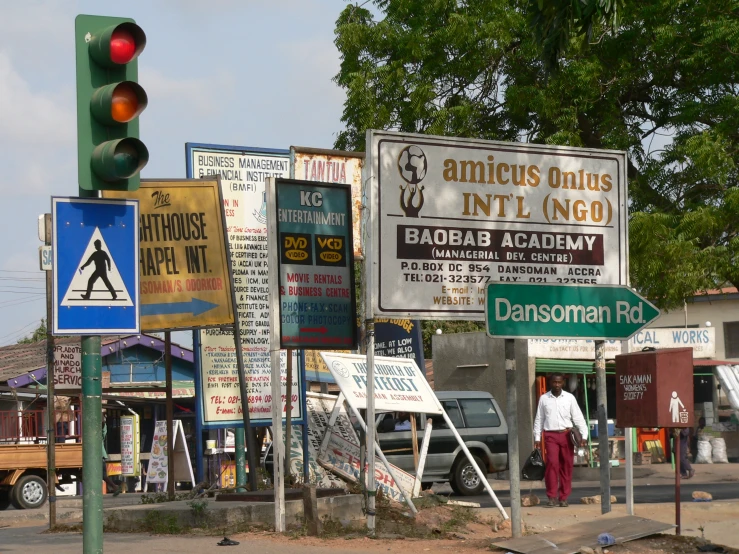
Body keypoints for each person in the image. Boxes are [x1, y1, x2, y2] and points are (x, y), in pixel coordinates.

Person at [533, 373, 588, 508]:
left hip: (566, 434)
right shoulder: (544, 399)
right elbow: (539, 419)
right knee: (552, 464)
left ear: (563, 383)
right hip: (550, 435)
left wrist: (584, 436)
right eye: (554, 382)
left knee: (566, 466)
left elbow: (578, 417)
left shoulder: (569, 398)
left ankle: (563, 497)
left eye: (559, 382)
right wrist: (537, 438)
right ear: (550, 383)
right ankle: (552, 497)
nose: (556, 385)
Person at [102, 415, 121, 496]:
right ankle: (114, 487)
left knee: (103, 475)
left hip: (99, 455)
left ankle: (114, 486)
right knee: (102, 475)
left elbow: (103, 425)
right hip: (100, 455)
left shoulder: (102, 430)